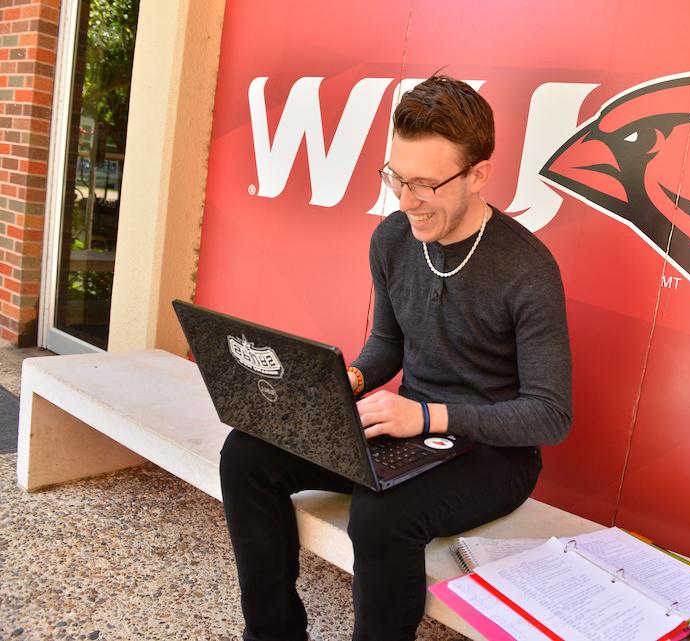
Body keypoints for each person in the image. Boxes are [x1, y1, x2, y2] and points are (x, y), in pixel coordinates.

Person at [218, 75, 572, 641]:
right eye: (396, 178)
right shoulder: (391, 238)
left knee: (381, 516)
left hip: (494, 455)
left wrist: (428, 416)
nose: (404, 201)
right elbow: (388, 344)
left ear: (478, 174)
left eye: (424, 185)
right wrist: (347, 381)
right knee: (246, 455)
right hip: (405, 429)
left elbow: (550, 415)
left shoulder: (528, 270)